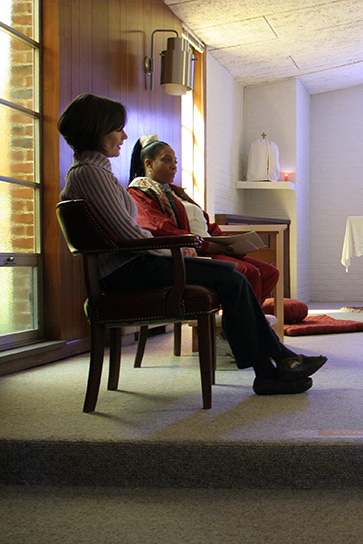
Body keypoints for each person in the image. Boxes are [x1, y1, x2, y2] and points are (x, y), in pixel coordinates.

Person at [57, 93, 326, 396]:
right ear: (98, 130)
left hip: (134, 264)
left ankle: (272, 367)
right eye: (118, 128)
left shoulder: (93, 172)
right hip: (128, 270)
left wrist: (177, 251)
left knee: (233, 277)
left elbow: (127, 233)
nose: (124, 136)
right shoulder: (91, 174)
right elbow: (129, 236)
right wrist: (174, 251)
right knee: (233, 278)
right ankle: (274, 364)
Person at [128, 135, 279, 306]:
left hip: (207, 244)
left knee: (269, 271)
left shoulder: (175, 193)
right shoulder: (141, 192)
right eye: (167, 160)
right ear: (148, 163)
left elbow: (204, 223)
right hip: (191, 250)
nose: (174, 166)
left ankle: (239, 322)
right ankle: (241, 327)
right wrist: (207, 245)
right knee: (247, 271)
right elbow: (159, 227)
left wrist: (228, 243)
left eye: (175, 162)